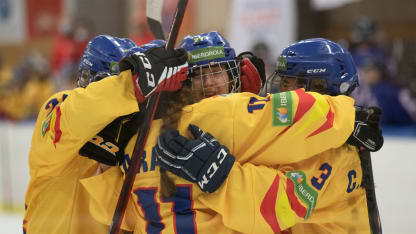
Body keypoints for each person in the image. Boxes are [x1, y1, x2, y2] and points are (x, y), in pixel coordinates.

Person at [73, 33, 367, 234]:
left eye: (218, 70)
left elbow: (110, 209)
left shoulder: (132, 139)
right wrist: (349, 115)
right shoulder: (233, 115)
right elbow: (287, 204)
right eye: (201, 73)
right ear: (182, 81)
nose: (211, 83)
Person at [155, 38, 384, 233]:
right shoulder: (316, 133)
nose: (279, 93)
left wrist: (218, 174)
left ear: (319, 88)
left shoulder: (333, 151)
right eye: (281, 81)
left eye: (289, 84)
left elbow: (276, 206)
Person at [22, 35, 162, 233]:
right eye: (108, 83)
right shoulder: (59, 106)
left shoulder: (134, 129)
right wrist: (133, 85)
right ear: (87, 78)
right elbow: (82, 110)